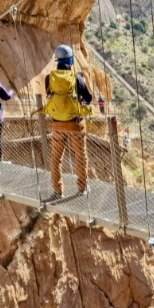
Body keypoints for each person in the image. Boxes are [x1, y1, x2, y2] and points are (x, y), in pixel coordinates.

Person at [44, 44, 93, 198]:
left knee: (56, 158)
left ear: (57, 60)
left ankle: (58, 191)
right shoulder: (77, 78)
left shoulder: (49, 78)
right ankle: (82, 188)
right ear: (71, 60)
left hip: (57, 123)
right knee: (80, 156)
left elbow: (49, 95)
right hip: (75, 124)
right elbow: (89, 98)